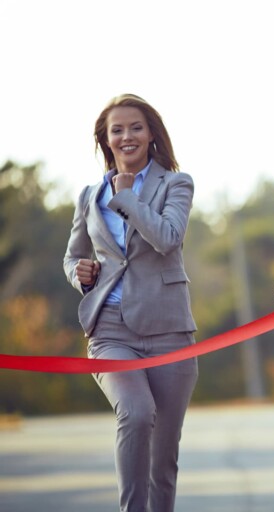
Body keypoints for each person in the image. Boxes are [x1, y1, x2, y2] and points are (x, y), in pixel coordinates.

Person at [63, 94, 198, 512]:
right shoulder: (88, 196)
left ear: (152, 133)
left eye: (135, 127)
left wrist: (127, 197)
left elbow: (167, 238)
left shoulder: (176, 184)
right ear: (105, 140)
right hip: (110, 329)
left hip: (169, 332)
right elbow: (72, 255)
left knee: (164, 458)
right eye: (116, 130)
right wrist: (78, 273)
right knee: (137, 414)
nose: (126, 136)